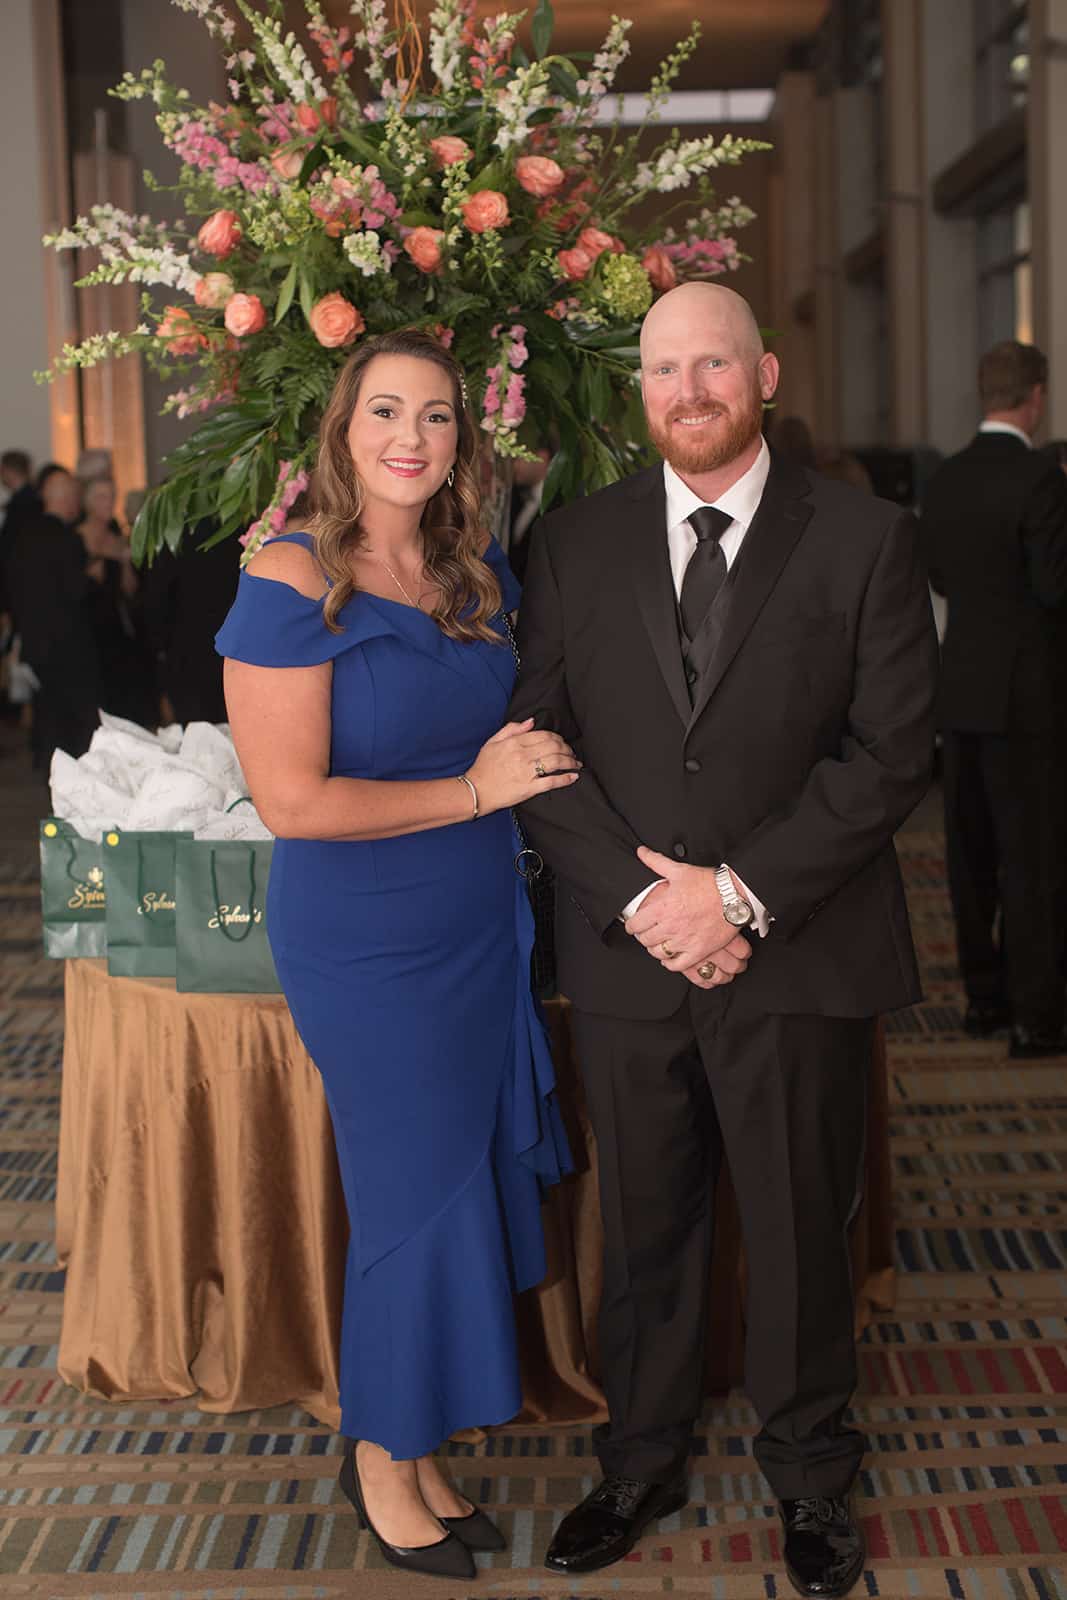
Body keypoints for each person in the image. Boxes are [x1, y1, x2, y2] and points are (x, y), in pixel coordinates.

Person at [509, 282, 938, 1598]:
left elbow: (890, 753)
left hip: (797, 950)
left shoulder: (864, 536)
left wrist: (736, 894)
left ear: (760, 377)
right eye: (661, 369)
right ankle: (635, 1462)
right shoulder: (569, 542)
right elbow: (537, 749)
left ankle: (808, 1474)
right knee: (644, 1222)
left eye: (711, 364)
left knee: (800, 1224)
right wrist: (651, 906)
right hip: (630, 956)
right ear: (637, 389)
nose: (686, 390)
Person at [216, 329, 575, 1582]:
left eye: (433, 414)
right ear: (342, 427)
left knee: (457, 1179)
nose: (408, 436)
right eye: (383, 410)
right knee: (411, 1195)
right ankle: (380, 1454)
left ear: (461, 435)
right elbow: (292, 802)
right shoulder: (287, 574)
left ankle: (415, 1448)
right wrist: (471, 795)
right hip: (364, 937)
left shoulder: (472, 570)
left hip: (475, 918)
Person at [920, 340, 1067, 1058]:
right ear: (1035, 398)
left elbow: (940, 579)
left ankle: (983, 1001)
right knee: (1032, 857)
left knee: (970, 856)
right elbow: (1053, 588)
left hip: (961, 690)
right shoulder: (1041, 479)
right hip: (1030, 700)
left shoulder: (945, 478)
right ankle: (1037, 1017)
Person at [5, 463, 99, 768]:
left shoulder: (23, 536)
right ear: (68, 499)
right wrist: (93, 575)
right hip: (68, 645)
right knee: (76, 722)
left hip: (36, 642)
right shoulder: (68, 539)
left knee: (47, 715)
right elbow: (77, 591)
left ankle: (49, 771)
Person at [76, 477, 157, 728]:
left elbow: (130, 588)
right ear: (88, 501)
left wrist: (124, 563)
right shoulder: (76, 537)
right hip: (89, 631)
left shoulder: (117, 536)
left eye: (112, 496)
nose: (108, 502)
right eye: (102, 496)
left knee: (128, 697)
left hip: (120, 630)